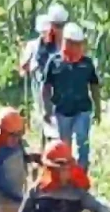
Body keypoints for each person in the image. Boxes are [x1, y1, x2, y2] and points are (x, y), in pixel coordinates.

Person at [42, 22, 102, 173]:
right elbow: (46, 87)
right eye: (73, 44)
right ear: (66, 43)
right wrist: (47, 109)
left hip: (82, 109)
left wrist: (98, 108)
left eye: (79, 44)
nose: (77, 48)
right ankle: (66, 174)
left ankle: (82, 172)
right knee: (64, 144)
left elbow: (94, 86)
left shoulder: (87, 64)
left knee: (82, 141)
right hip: (62, 110)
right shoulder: (54, 62)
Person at [18, 4, 68, 136]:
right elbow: (25, 66)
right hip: (42, 81)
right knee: (46, 112)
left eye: (60, 25)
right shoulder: (37, 45)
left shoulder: (66, 41)